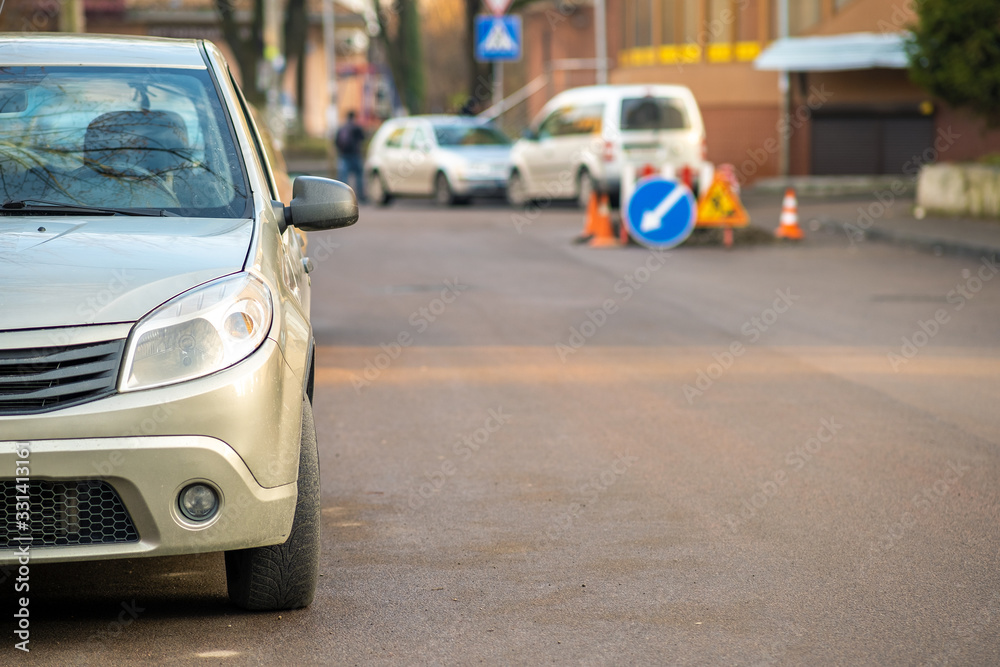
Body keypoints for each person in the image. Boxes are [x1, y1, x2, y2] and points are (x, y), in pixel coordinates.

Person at [334, 110, 366, 203]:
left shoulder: (341, 128)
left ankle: (343, 196)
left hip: (343, 156)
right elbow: (362, 139)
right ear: (354, 117)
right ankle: (361, 196)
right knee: (359, 176)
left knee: (343, 178)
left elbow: (336, 142)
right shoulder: (356, 128)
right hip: (355, 155)